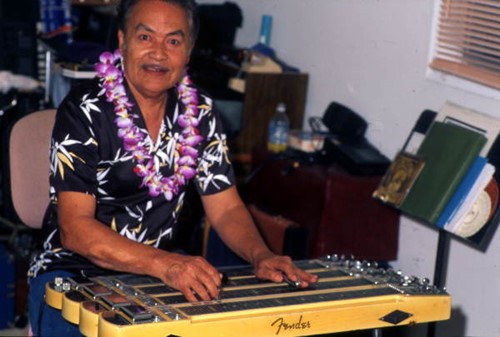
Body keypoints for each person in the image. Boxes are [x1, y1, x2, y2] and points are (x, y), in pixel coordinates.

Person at [27, 0, 318, 335]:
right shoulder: (84, 110)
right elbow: (75, 230)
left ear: (189, 51)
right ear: (122, 42)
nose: (159, 53)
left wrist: (260, 255)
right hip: (73, 272)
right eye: (146, 37)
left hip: (158, 274)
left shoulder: (201, 113)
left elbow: (225, 208)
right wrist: (166, 265)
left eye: (174, 41)